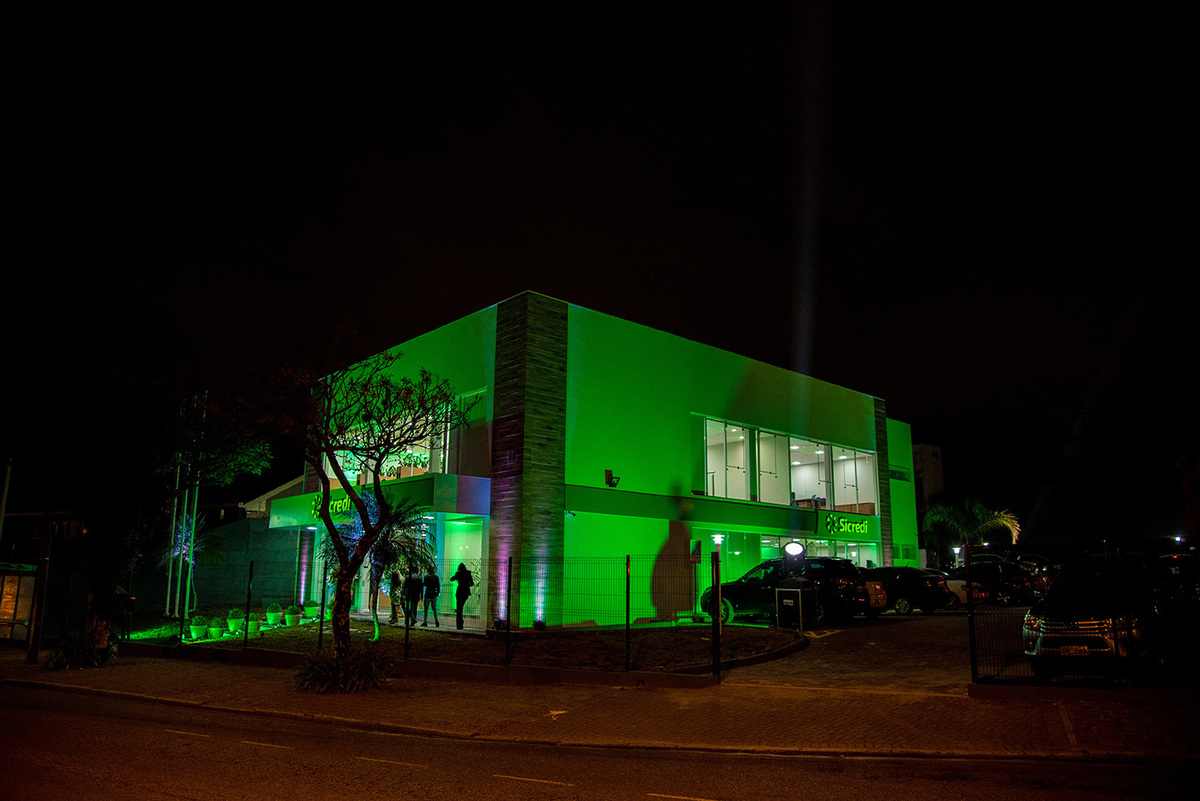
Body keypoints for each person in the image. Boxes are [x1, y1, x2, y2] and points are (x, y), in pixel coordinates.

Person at [451, 562, 473, 630]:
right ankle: (460, 623)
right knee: (461, 607)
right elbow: (472, 583)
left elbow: (451, 579)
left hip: (460, 591)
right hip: (465, 592)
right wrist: (466, 585)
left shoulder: (458, 573)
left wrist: (456, 574)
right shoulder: (468, 573)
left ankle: (459, 624)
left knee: (459, 608)